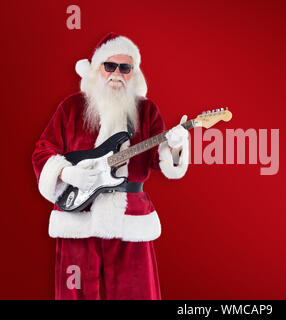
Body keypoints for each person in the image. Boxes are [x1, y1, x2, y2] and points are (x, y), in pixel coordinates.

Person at [31, 32, 189, 300]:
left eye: (125, 68)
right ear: (97, 70)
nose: (117, 74)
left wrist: (175, 146)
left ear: (133, 74)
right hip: (79, 216)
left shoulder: (147, 111)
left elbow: (159, 162)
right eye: (110, 66)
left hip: (131, 219)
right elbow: (42, 151)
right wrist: (67, 172)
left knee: (138, 294)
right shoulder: (71, 108)